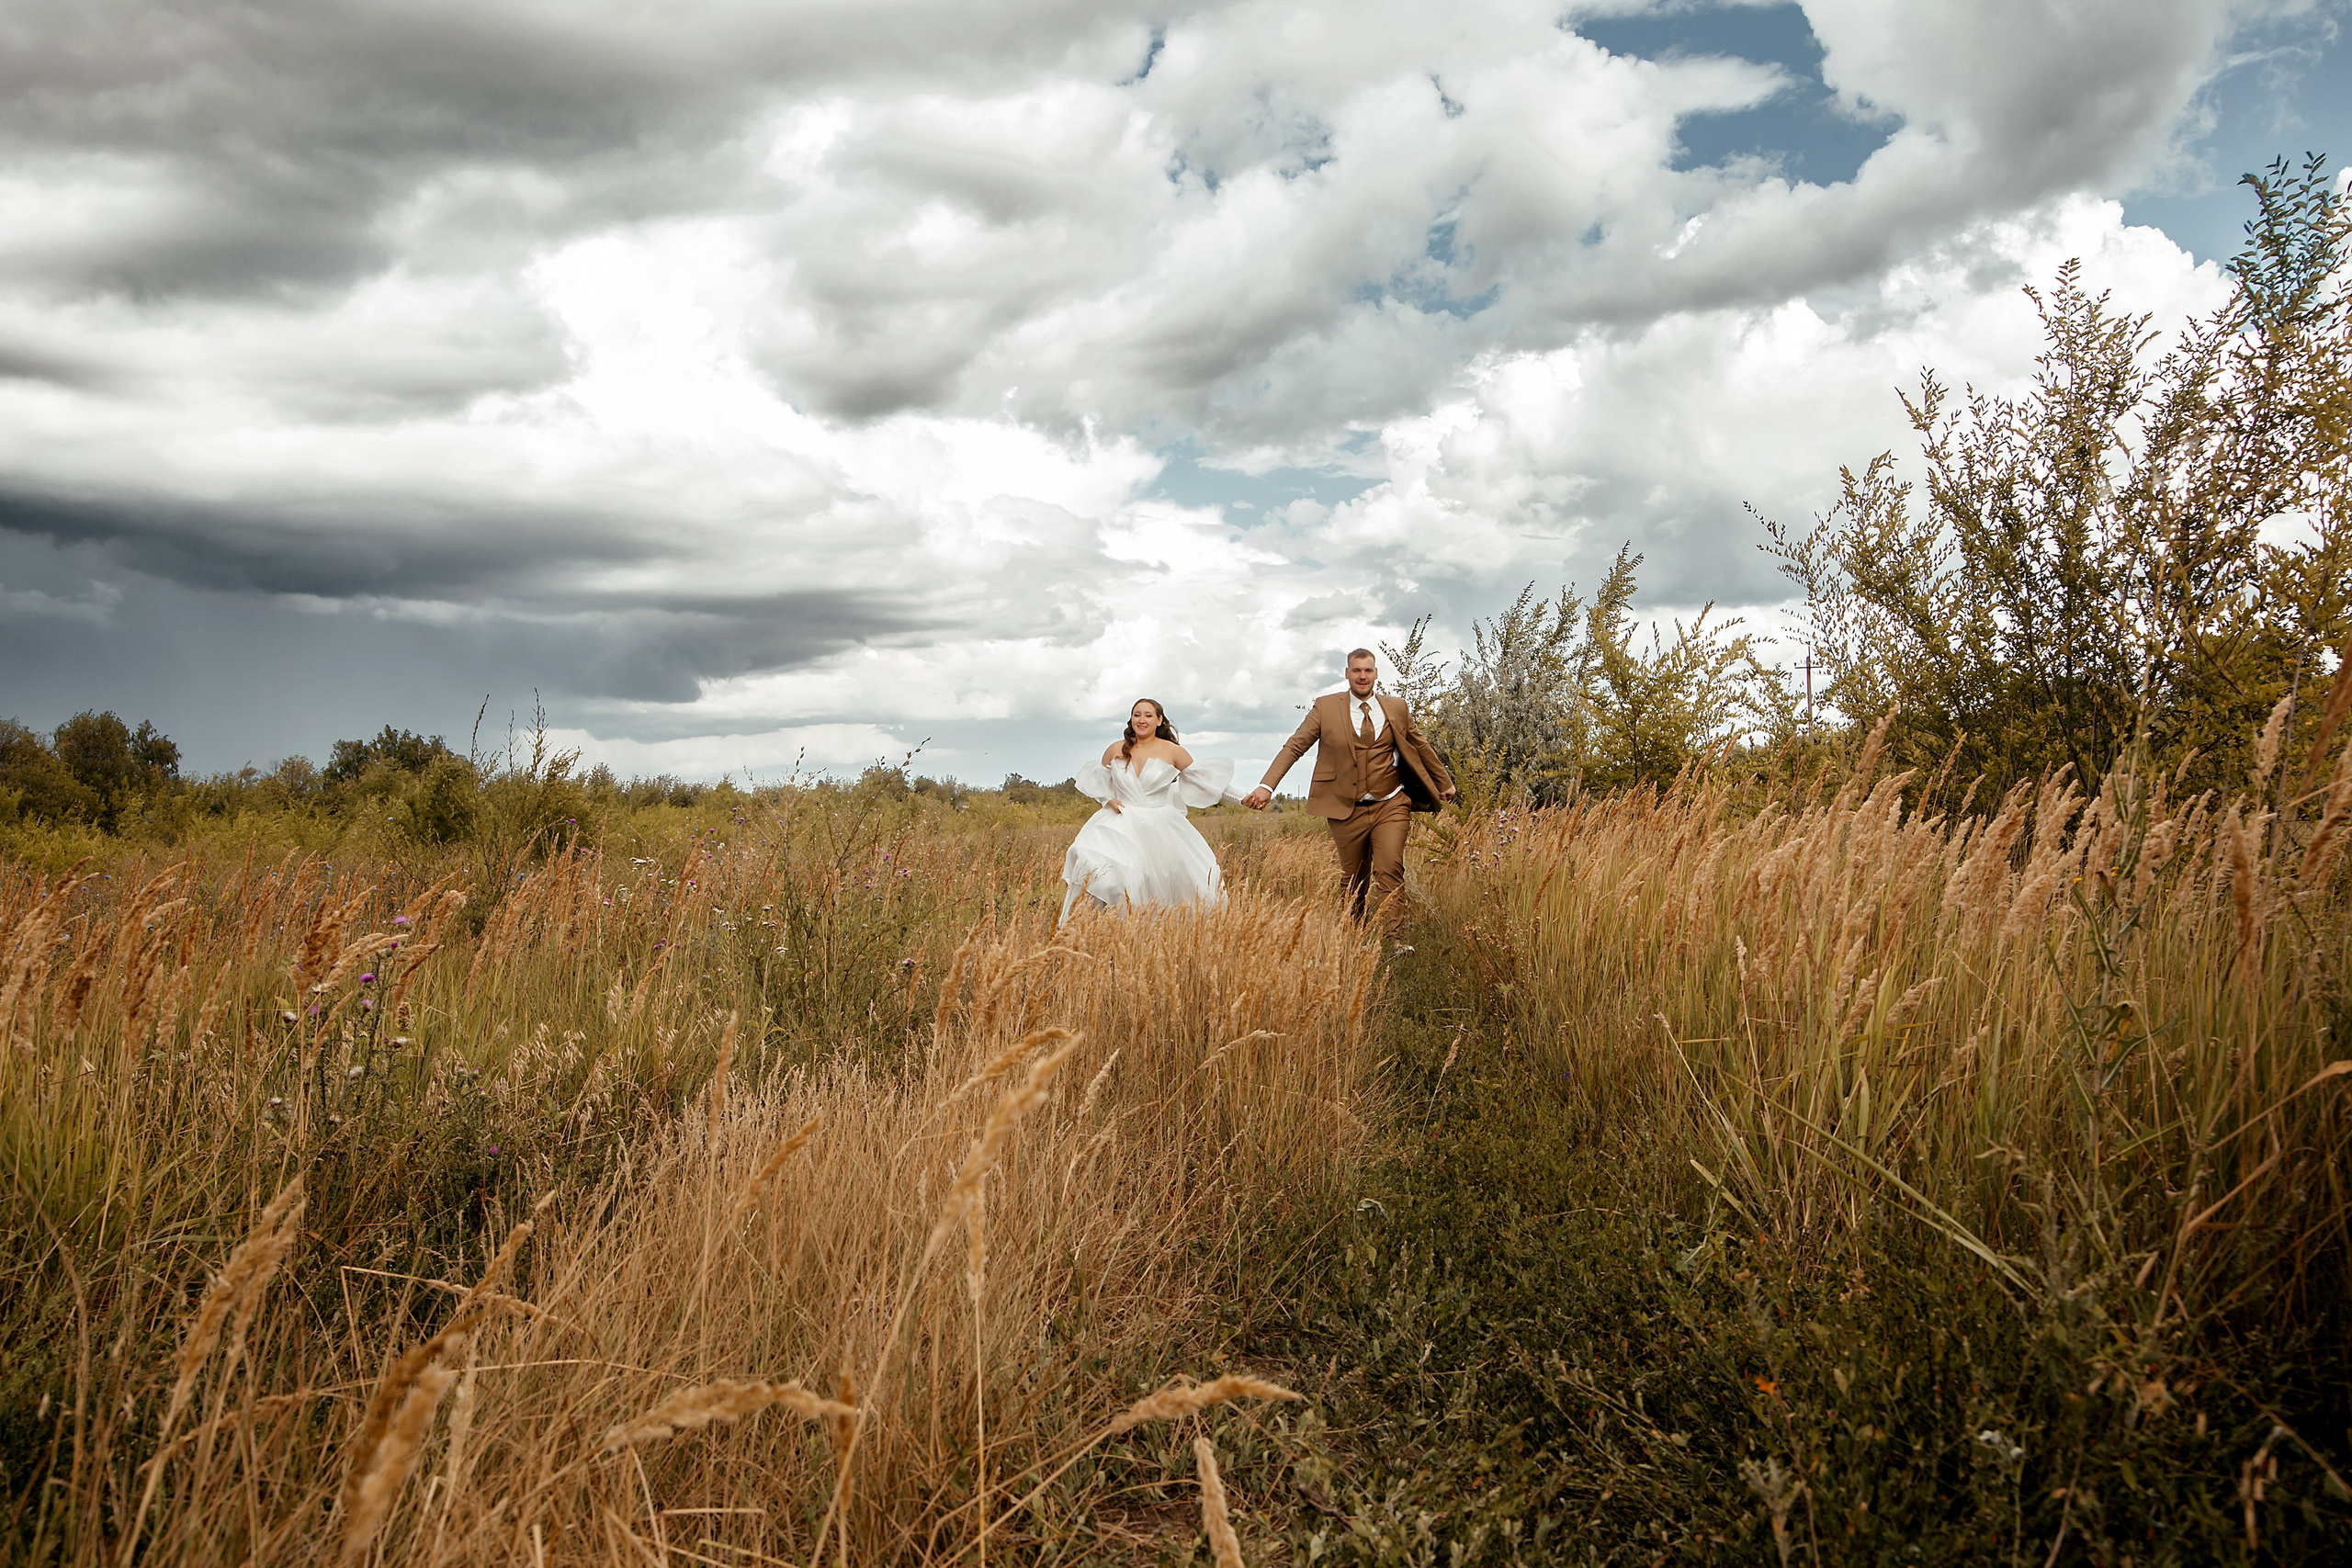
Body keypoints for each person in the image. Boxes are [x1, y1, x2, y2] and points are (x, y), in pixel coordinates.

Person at [1244, 648, 1455, 936]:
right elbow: (1295, 746)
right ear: (1347, 673)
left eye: (1368, 670)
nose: (1362, 676)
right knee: (1355, 878)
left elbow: (1419, 745)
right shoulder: (1326, 707)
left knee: (1390, 869)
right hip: (1345, 806)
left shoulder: (1396, 707)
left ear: (1376, 673)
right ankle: (1353, 935)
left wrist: (1443, 782)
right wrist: (1266, 786)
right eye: (1356, 670)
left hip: (1390, 803)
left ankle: (1395, 940)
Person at [1060, 697, 1251, 924]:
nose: (1141, 720)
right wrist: (1108, 800)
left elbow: (1209, 783)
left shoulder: (1172, 751)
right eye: (1137, 715)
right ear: (1131, 719)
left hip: (1159, 826)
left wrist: (1244, 799)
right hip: (1119, 823)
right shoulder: (1115, 749)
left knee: (1156, 882)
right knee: (1100, 871)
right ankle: (1095, 931)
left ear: (1159, 720)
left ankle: (1145, 932)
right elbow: (1097, 783)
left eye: (1148, 715)